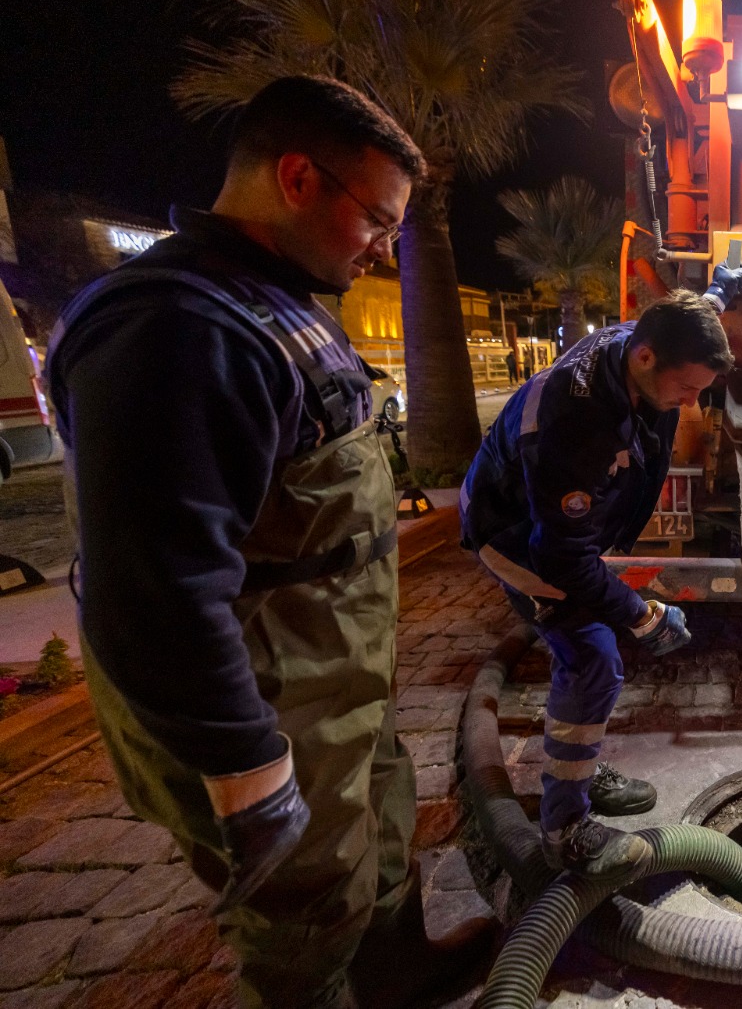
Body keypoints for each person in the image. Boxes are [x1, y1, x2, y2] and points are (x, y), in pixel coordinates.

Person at [49, 76, 495, 1009]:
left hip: (327, 680)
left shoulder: (273, 299)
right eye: (377, 219)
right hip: (271, 698)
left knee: (375, 833)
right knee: (303, 906)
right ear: (297, 178)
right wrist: (248, 767)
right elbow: (156, 592)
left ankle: (398, 974)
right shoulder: (178, 330)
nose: (383, 249)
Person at [460, 280, 741, 877]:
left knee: (593, 649)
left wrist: (719, 293)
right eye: (687, 389)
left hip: (560, 531)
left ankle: (579, 765)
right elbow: (562, 559)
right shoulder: (575, 420)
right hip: (515, 536)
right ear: (645, 359)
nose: (692, 402)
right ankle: (565, 831)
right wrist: (643, 615)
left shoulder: (647, 343)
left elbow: (688, 317)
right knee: (592, 657)